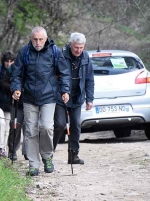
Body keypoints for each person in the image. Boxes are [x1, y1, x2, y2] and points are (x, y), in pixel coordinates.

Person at [11, 26, 70, 176]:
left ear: (46, 39)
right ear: (31, 39)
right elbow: (16, 74)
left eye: (40, 39)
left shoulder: (54, 51)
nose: (38, 42)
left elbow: (64, 73)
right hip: (29, 97)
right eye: (35, 39)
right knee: (30, 131)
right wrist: (16, 88)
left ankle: (47, 156)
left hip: (49, 96)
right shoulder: (24, 52)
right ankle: (33, 164)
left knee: (46, 127)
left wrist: (65, 90)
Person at [53, 32, 95, 164]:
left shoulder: (86, 57)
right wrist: (61, 91)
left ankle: (73, 155)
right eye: (76, 47)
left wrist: (90, 99)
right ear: (71, 45)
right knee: (59, 125)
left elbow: (89, 79)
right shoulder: (61, 55)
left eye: (81, 47)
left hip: (77, 97)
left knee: (76, 124)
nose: (79, 50)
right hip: (61, 96)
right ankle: (48, 152)